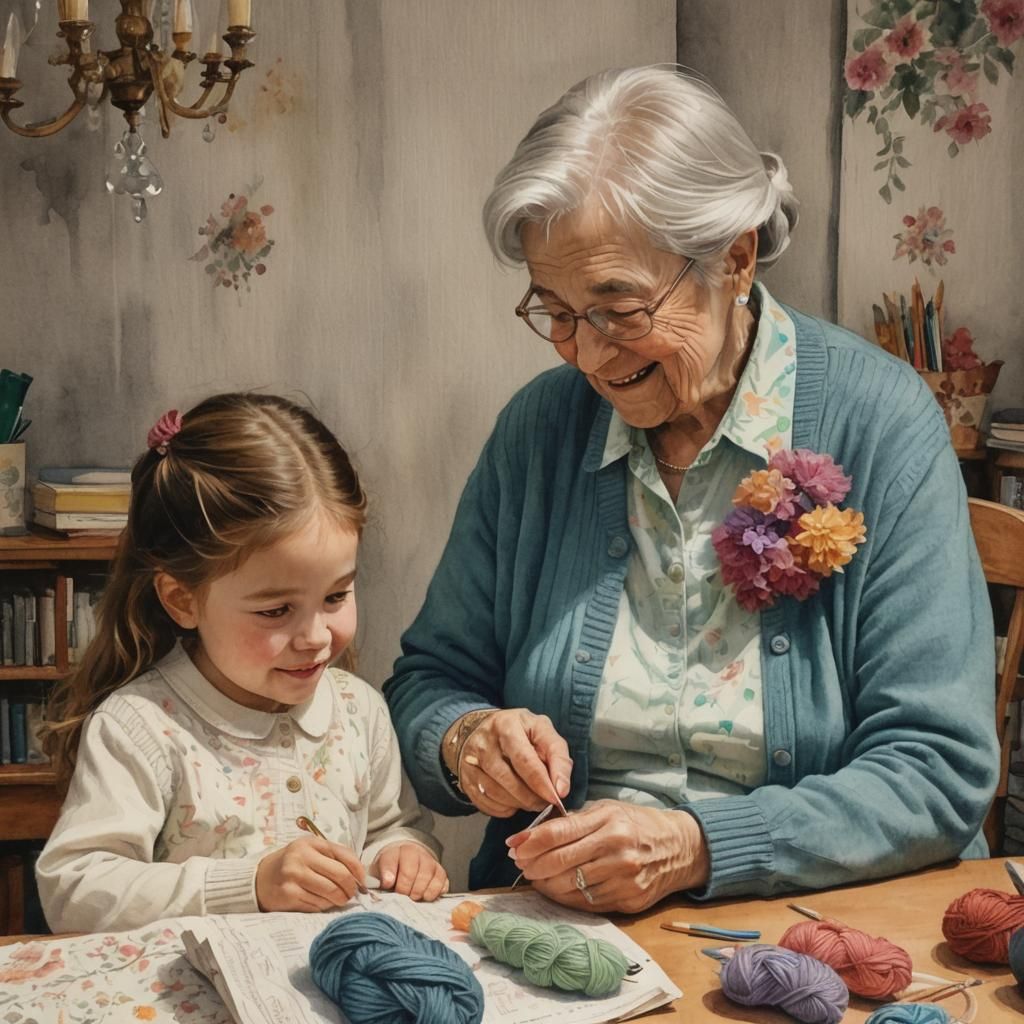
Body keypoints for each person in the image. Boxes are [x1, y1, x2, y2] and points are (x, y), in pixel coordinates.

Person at [385, 65, 998, 914]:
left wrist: (696, 846)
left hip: (821, 919)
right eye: (555, 310)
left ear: (735, 257)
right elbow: (429, 679)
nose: (587, 356)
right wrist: (465, 742)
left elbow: (938, 765)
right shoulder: (538, 432)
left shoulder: (883, 422)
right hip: (567, 930)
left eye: (619, 308)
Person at [38, 394, 447, 934]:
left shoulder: (359, 711)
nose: (317, 637)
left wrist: (404, 854)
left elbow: (393, 828)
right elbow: (75, 890)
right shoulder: (140, 728)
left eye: (336, 596)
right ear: (183, 600)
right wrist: (249, 884)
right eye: (276, 610)